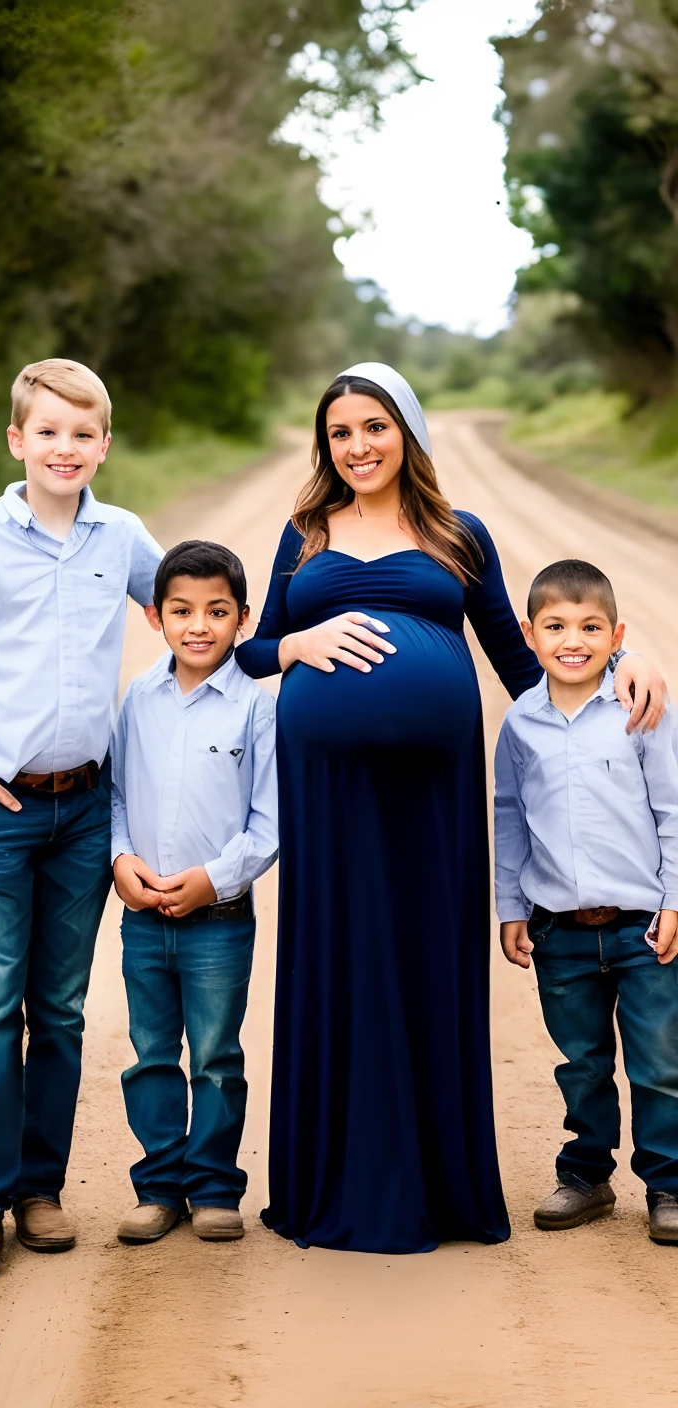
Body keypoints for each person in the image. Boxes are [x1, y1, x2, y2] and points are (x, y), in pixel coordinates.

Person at [235, 361, 668, 1255]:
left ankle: (436, 1180)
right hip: (328, 792)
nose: (357, 446)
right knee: (344, 958)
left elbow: (522, 658)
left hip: (435, 792)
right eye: (341, 432)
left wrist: (630, 657)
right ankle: (337, 1178)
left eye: (374, 427)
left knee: (426, 957)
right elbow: (253, 650)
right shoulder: (304, 532)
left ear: (408, 432)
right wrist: (298, 643)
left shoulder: (456, 533)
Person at [0, 359, 162, 1280]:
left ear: (104, 446)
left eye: (82, 434)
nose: (65, 448)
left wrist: (299, 634)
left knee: (59, 1008)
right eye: (47, 431)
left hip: (87, 807)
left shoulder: (121, 537)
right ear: (17, 440)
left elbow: (199, 616)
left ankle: (36, 1190)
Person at [495, 559, 678, 1246]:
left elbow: (672, 811)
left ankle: (668, 1183)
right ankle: (586, 1177)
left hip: (642, 926)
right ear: (530, 635)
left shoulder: (641, 710)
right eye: (556, 627)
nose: (574, 640)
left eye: (590, 627)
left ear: (616, 634)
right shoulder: (520, 724)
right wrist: (510, 907)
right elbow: (509, 817)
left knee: (659, 1061)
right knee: (582, 1061)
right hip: (558, 932)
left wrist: (674, 904)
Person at [110, 541, 278, 1245]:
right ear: (156, 617)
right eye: (181, 611)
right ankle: (159, 1186)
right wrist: (120, 860)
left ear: (244, 618)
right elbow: (114, 792)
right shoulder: (139, 701)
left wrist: (214, 877)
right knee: (151, 1053)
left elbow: (271, 822)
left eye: (217, 611)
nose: (198, 626)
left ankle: (212, 1187)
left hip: (219, 921)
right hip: (144, 917)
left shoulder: (256, 709)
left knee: (214, 1056)